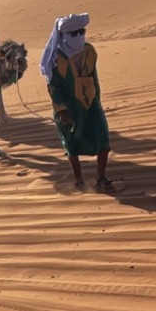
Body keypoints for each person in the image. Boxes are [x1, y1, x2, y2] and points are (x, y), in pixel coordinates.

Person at [40, 13, 113, 191]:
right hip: (69, 107)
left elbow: (94, 78)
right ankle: (79, 179)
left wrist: (97, 101)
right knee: (71, 144)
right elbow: (54, 87)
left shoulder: (89, 51)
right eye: (73, 34)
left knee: (102, 136)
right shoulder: (57, 59)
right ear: (64, 36)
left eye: (82, 31)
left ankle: (101, 177)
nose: (79, 36)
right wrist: (62, 111)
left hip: (91, 103)